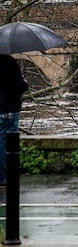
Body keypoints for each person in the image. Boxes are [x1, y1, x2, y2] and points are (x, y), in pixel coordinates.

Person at [0, 55, 28, 186]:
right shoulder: (8, 62)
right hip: (8, 111)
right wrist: (24, 82)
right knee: (8, 144)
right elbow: (18, 86)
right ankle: (5, 176)